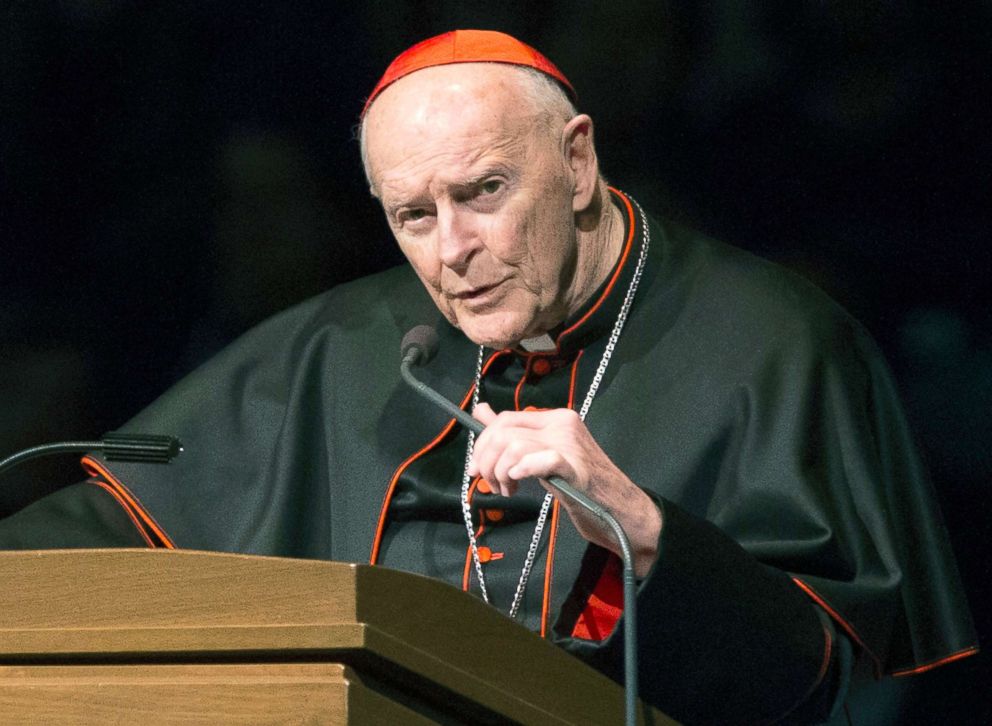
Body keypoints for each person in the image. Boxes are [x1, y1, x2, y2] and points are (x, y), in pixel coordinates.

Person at [0, 30, 977, 724]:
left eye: (484, 192)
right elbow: (103, 533)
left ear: (578, 160)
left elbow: (817, 684)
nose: (452, 252)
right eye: (412, 215)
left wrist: (643, 533)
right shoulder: (341, 339)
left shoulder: (775, 339)